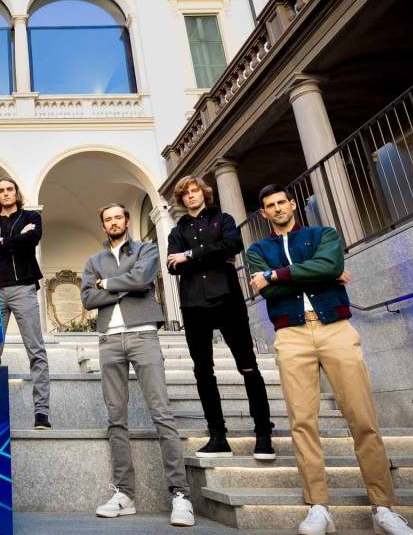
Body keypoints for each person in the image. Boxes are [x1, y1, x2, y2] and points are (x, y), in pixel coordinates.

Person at [246, 184, 413, 535]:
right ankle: (318, 506)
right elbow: (281, 288)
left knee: (363, 417)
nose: (277, 208)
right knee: (302, 421)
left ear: (292, 205)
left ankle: (383, 508)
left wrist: (277, 275)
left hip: (336, 328)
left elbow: (328, 264)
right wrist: (319, 273)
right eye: (270, 206)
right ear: (264, 214)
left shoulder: (321, 233)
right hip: (291, 334)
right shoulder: (257, 249)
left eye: (281, 202)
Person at [81, 203, 195, 527]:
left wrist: (107, 284)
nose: (114, 222)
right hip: (109, 340)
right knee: (116, 418)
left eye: (118, 216)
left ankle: (180, 495)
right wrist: (124, 283)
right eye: (108, 218)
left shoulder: (146, 248)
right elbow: (88, 299)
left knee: (161, 413)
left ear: (126, 221)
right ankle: (124, 494)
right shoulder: (94, 261)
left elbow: (145, 278)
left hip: (143, 334)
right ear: (103, 225)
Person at [166, 175, 274, 459]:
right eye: (186, 194)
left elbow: (233, 245)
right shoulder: (177, 230)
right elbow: (172, 266)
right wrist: (206, 256)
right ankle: (217, 435)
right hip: (193, 305)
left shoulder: (223, 219)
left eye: (194, 191)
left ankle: (263, 433)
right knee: (202, 371)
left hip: (227, 299)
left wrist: (189, 255)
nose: (191, 196)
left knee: (248, 365)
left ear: (204, 193)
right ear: (181, 199)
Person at [0, 177, 52, 429]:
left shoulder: (32, 217)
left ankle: (41, 413)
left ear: (16, 193)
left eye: (10, 189)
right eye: (1, 191)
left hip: (24, 287)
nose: (6, 194)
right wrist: (15, 239)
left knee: (36, 350)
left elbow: (31, 241)